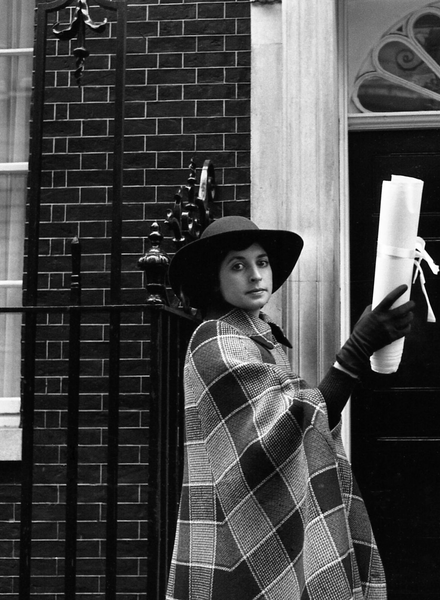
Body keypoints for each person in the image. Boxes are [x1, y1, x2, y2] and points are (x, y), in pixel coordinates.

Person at [165, 216, 414, 600]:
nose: (255, 274)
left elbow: (299, 420)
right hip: (233, 532)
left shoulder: (256, 336)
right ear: (214, 279)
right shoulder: (216, 340)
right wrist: (356, 349)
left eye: (261, 262)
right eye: (237, 265)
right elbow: (292, 423)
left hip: (250, 525)